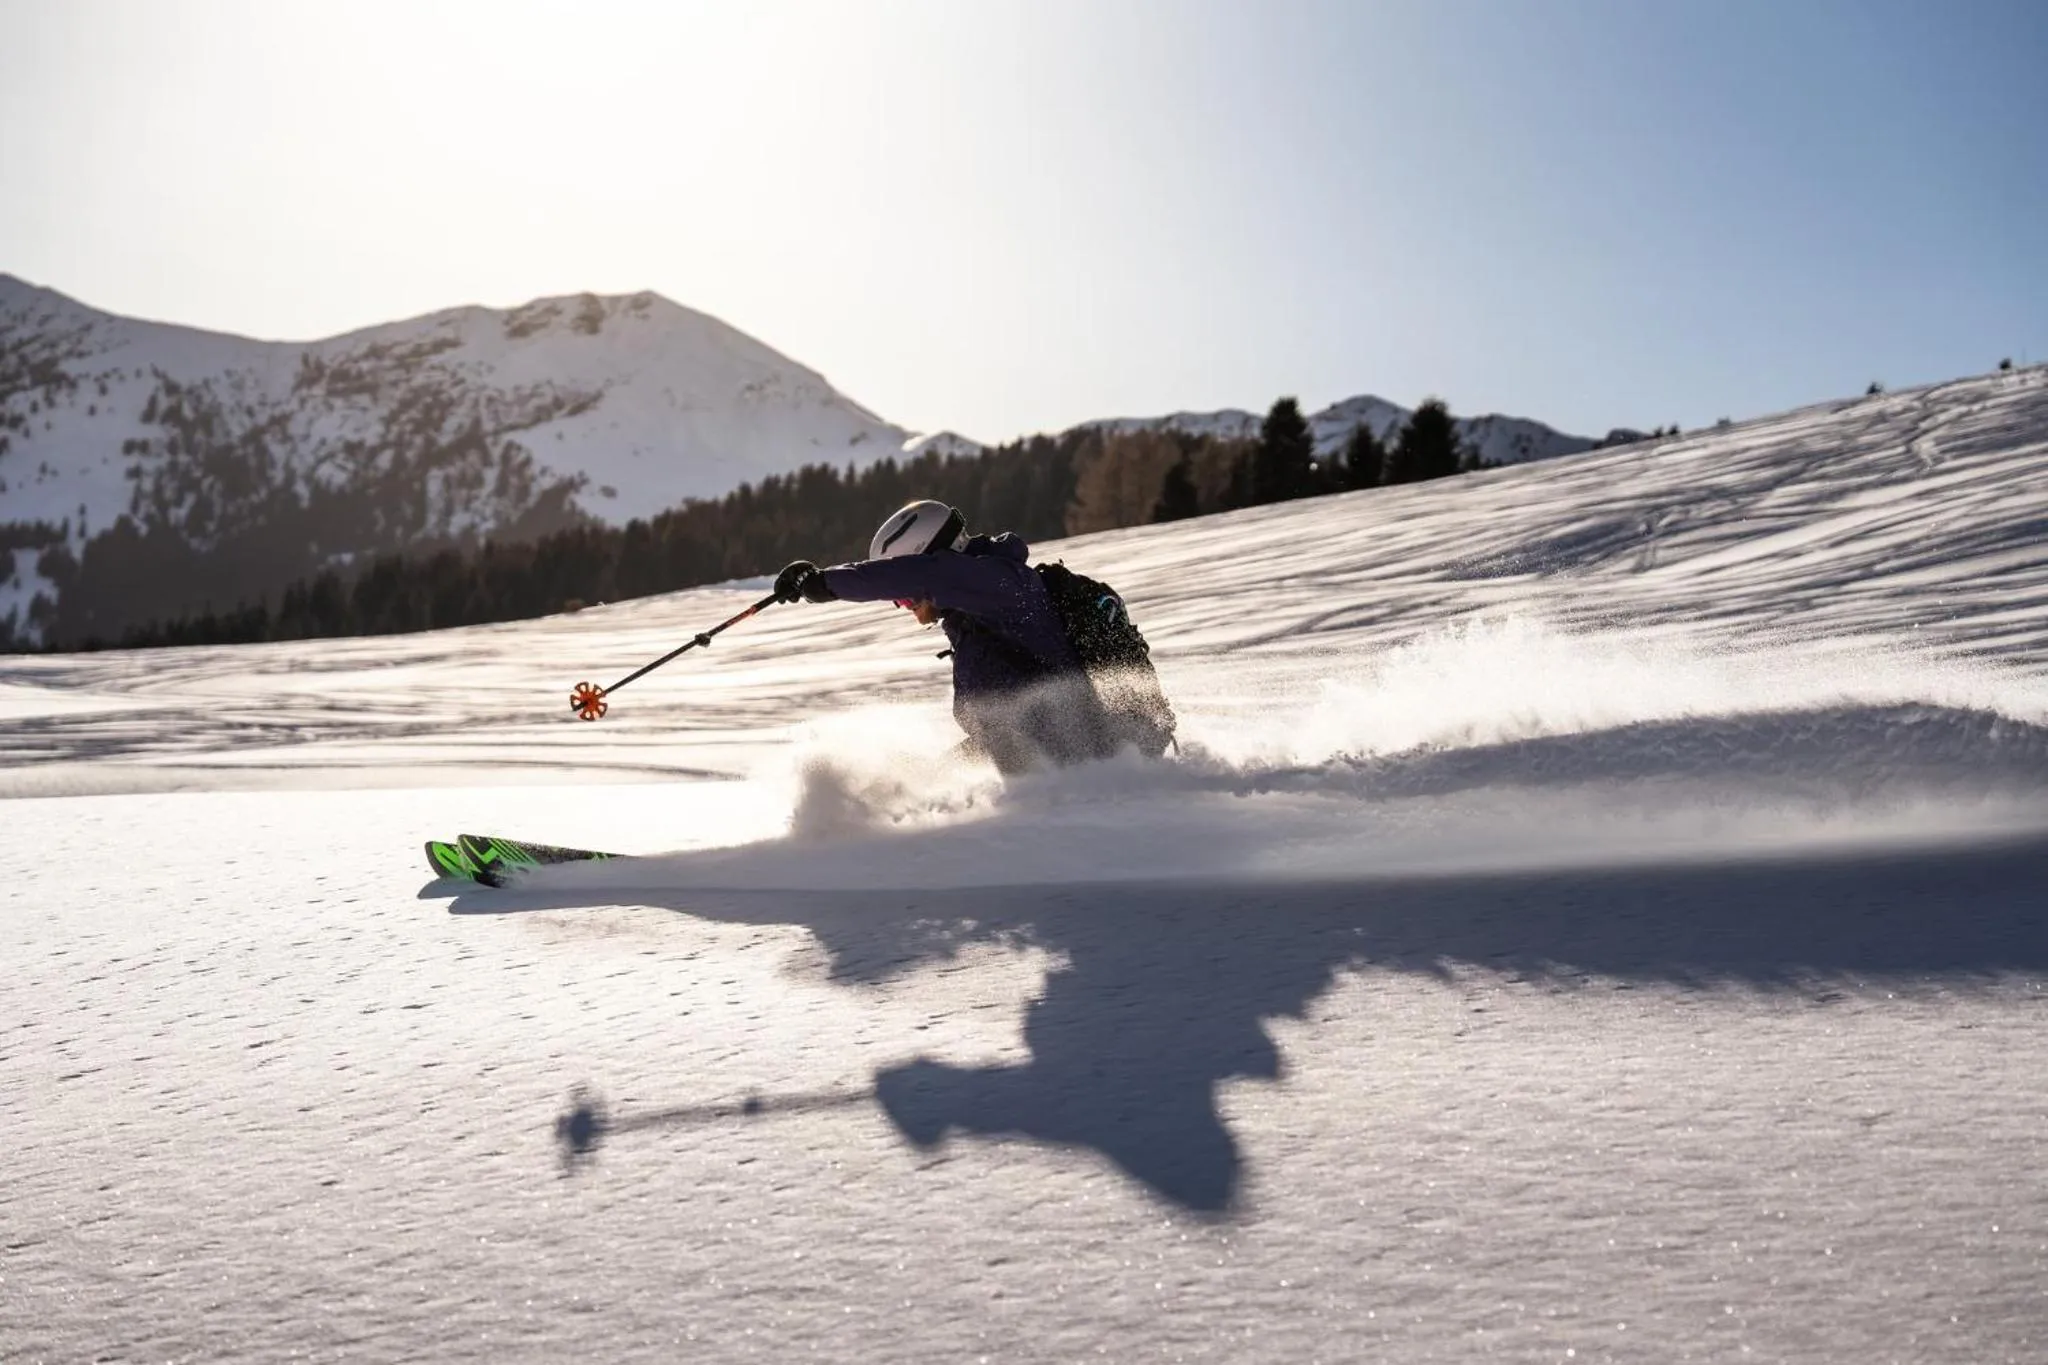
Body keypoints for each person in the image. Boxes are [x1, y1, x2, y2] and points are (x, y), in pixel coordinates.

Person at [772, 500, 1164, 776]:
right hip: (1047, 756)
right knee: (918, 789)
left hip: (1087, 757)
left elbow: (934, 575)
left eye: (904, 594)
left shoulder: (1002, 586)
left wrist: (826, 583)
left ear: (931, 559)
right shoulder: (976, 614)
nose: (904, 606)